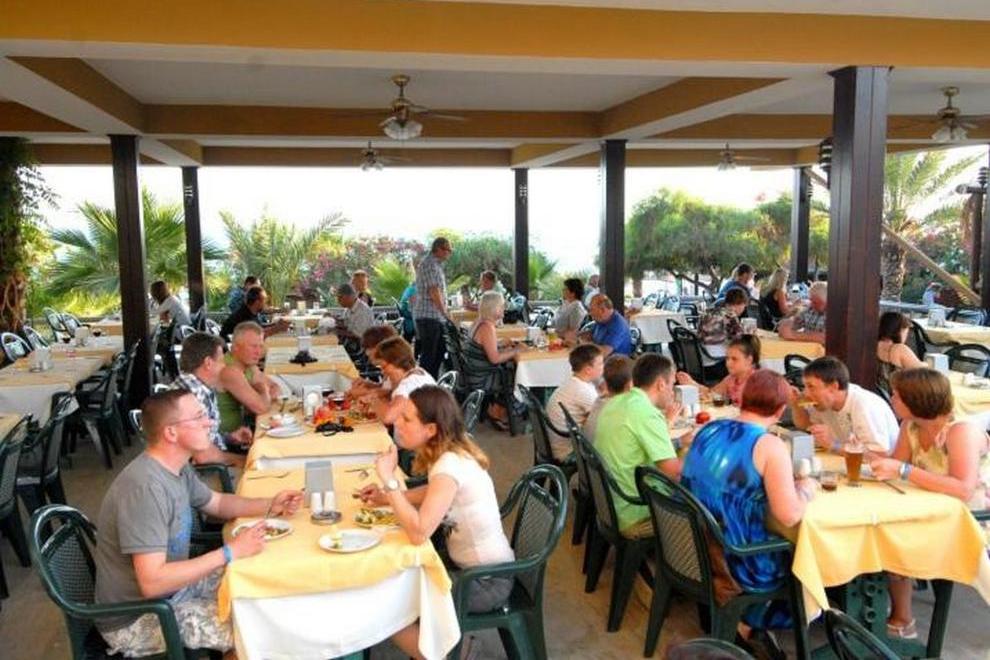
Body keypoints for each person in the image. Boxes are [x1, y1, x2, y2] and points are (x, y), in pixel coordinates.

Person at [94, 389, 302, 657]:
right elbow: (152, 582)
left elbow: (218, 503)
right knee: (255, 627)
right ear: (171, 432)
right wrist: (230, 551)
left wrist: (272, 505)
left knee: (264, 584)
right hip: (139, 618)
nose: (210, 422)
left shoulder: (176, 467)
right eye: (199, 417)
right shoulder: (145, 489)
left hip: (174, 591)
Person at [359, 387, 514, 658]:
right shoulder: (449, 455)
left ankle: (457, 653)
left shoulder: (448, 466)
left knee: (385, 607)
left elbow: (419, 533)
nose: (398, 423)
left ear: (430, 429)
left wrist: (390, 480)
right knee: (391, 586)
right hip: (478, 570)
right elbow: (433, 493)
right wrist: (387, 497)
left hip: (485, 582)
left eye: (407, 419)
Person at [681, 369, 818, 643]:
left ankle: (744, 623)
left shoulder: (710, 429)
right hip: (739, 562)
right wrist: (806, 488)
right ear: (780, 410)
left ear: (743, 399)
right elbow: (789, 515)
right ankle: (753, 622)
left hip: (696, 549)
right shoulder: (769, 445)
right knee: (809, 556)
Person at [869, 368, 990, 639]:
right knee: (880, 527)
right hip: (934, 510)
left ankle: (899, 618)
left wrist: (904, 471)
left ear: (916, 401)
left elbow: (963, 489)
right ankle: (891, 614)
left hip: (973, 520)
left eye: (896, 395)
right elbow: (895, 467)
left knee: (892, 534)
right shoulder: (910, 426)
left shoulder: (960, 431)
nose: (891, 399)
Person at [594, 354, 683, 538]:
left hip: (612, 504)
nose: (672, 392)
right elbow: (673, 473)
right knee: (710, 513)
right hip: (636, 512)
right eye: (672, 384)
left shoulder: (615, 403)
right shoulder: (646, 413)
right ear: (661, 384)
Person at [172, 332, 252, 468]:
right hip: (203, 472)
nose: (224, 366)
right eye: (221, 361)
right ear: (208, 363)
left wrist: (229, 438)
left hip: (211, 460)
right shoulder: (194, 395)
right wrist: (247, 462)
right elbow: (204, 456)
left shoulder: (196, 385)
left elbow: (207, 439)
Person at [791, 356, 899, 454]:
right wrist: (796, 405)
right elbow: (806, 425)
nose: (805, 393)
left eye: (811, 387)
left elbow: (879, 453)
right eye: (805, 386)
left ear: (834, 386)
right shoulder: (823, 403)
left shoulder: (862, 404)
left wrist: (833, 445)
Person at [467, 291, 523, 427]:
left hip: (474, 372)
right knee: (516, 376)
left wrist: (501, 344)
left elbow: (484, 347)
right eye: (502, 306)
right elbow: (495, 359)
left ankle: (496, 407)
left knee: (510, 368)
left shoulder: (479, 322)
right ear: (494, 308)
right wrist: (516, 350)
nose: (504, 308)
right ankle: (497, 411)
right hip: (481, 378)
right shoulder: (487, 327)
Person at [217, 321, 283, 433]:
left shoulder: (248, 365)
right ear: (235, 347)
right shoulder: (228, 370)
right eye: (253, 346)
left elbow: (276, 387)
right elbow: (261, 408)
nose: (258, 352)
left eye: (260, 346)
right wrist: (263, 389)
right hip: (226, 438)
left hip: (242, 429)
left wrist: (261, 397)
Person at [371, 337, 436, 444]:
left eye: (384, 367)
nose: (382, 372)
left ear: (396, 362)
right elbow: (392, 395)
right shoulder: (417, 372)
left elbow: (388, 417)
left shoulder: (407, 385)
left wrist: (373, 401)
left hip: (418, 446)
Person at [545, 345, 604, 461]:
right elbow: (604, 417)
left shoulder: (573, 382)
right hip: (568, 450)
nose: (604, 367)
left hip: (556, 442)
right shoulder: (583, 391)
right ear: (588, 370)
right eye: (601, 364)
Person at [677, 335, 761, 407]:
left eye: (734, 359)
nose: (728, 363)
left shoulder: (757, 382)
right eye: (727, 358)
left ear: (749, 360)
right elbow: (712, 394)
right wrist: (692, 384)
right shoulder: (732, 378)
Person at [413, 237, 453, 378]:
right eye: (448, 250)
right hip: (429, 316)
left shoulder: (435, 264)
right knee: (430, 356)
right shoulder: (430, 265)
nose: (449, 253)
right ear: (438, 249)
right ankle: (424, 385)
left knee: (438, 352)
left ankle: (432, 383)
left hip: (432, 317)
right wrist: (445, 313)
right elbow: (434, 291)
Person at [584, 355, 633, 442]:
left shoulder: (600, 400)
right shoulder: (625, 412)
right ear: (630, 385)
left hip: (591, 448)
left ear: (605, 382)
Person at [348, 325, 399, 401]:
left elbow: (392, 394)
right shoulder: (387, 364)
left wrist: (366, 393)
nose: (367, 352)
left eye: (369, 348)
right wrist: (369, 384)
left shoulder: (397, 368)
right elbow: (385, 387)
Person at [877, 311, 924, 391]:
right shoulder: (899, 349)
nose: (906, 336)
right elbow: (923, 373)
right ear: (900, 330)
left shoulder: (872, 345)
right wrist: (926, 363)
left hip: (877, 393)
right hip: (896, 394)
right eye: (906, 332)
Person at [220, 285, 289, 338]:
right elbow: (256, 336)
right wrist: (277, 328)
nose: (265, 303)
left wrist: (275, 324)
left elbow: (259, 327)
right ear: (257, 302)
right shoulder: (243, 316)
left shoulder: (251, 312)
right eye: (264, 300)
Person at [554, 277, 587, 344]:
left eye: (565, 289)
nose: (563, 290)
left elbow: (572, 332)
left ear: (573, 293)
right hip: (556, 338)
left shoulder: (577, 308)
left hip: (565, 342)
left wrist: (553, 333)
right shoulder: (566, 304)